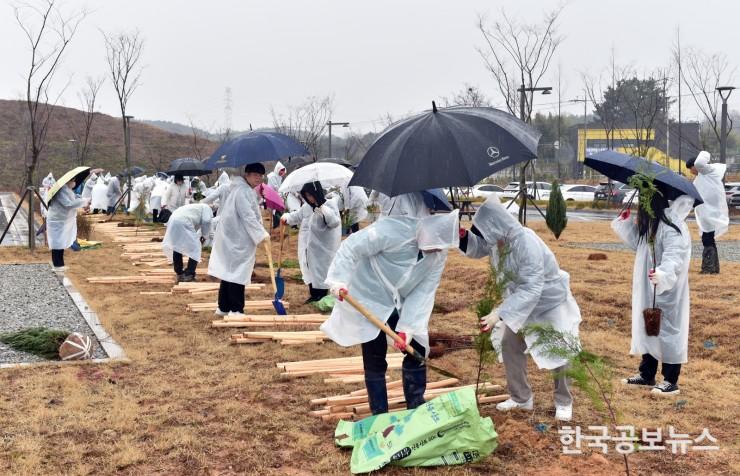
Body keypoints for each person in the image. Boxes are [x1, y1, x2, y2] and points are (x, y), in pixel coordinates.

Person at [322, 193, 456, 415]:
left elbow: (423, 293)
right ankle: (379, 413)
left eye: (438, 249)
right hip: (370, 294)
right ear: (423, 233)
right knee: (374, 352)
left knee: (418, 350)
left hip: (400, 300)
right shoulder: (393, 230)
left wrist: (408, 329)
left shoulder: (439, 254)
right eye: (431, 247)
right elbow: (351, 247)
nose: (434, 251)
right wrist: (338, 280)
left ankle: (416, 407)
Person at [459, 195, 582, 421]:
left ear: (496, 225)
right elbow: (478, 248)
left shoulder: (526, 242)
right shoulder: (498, 240)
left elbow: (531, 289)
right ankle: (521, 398)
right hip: (520, 304)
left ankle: (564, 402)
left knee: (559, 351)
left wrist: (499, 313)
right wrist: (463, 237)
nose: (484, 235)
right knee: (509, 344)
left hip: (549, 303)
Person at [613, 193, 693, 396]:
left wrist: (663, 273)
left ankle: (670, 380)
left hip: (668, 289)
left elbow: (675, 254)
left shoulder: (671, 226)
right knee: (650, 325)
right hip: (650, 286)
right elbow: (640, 246)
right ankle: (647, 374)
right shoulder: (653, 223)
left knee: (668, 330)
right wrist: (626, 223)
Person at [208, 164, 269, 316]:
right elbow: (248, 216)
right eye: (255, 175)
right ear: (247, 175)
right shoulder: (243, 191)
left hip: (233, 238)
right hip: (238, 240)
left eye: (261, 176)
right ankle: (236, 309)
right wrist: (262, 234)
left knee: (228, 272)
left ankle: (223, 307)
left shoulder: (240, 189)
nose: (258, 178)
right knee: (237, 274)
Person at [280, 182, 342, 303]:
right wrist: (287, 218)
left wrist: (323, 209)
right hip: (309, 244)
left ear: (317, 193)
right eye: (307, 196)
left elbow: (334, 222)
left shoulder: (330, 205)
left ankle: (322, 295)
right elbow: (297, 216)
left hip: (324, 246)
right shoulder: (307, 207)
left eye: (311, 195)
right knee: (309, 268)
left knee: (322, 270)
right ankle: (314, 295)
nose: (309, 198)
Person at [686, 151, 729, 274]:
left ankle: (709, 268)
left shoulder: (707, 171)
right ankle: (713, 268)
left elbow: (701, 160)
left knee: (707, 239)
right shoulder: (700, 178)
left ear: (695, 166)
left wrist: (700, 159)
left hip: (711, 213)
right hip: (708, 214)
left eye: (691, 168)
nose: (691, 171)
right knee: (709, 239)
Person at [162, 203, 213, 282]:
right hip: (183, 221)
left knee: (177, 246)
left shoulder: (195, 207)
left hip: (173, 219)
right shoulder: (207, 208)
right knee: (195, 247)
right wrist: (204, 236)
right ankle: (189, 274)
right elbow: (206, 221)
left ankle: (179, 273)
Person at [47, 178, 89, 274]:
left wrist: (82, 200)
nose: (74, 183)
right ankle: (57, 265)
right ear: (67, 181)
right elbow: (68, 204)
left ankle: (60, 264)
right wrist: (83, 201)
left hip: (62, 220)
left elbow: (74, 198)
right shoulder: (61, 191)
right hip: (56, 220)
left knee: (60, 242)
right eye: (73, 181)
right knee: (56, 243)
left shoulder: (67, 190)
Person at [266, 162, 287, 229]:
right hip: (271, 195)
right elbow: (275, 187)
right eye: (281, 171)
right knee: (276, 210)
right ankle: (278, 224)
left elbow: (279, 187)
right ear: (278, 169)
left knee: (278, 210)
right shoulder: (272, 176)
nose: (281, 173)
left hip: (277, 194)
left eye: (282, 172)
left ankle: (277, 225)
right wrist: (281, 192)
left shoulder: (279, 177)